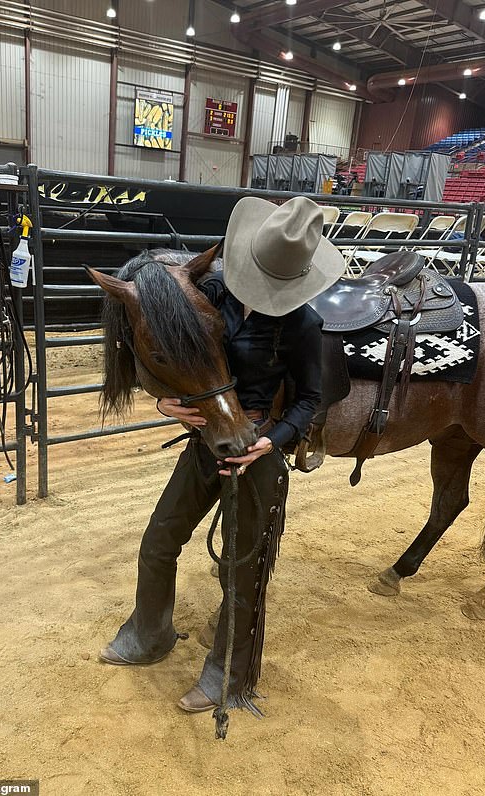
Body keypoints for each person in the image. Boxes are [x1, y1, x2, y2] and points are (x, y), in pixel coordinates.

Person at [98, 196, 346, 714]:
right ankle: (150, 633)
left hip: (256, 447)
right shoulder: (210, 292)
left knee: (241, 567)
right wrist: (164, 401)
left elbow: (310, 399)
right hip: (205, 440)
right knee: (160, 538)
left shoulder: (303, 324)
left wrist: (270, 443)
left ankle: (229, 675)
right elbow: (167, 354)